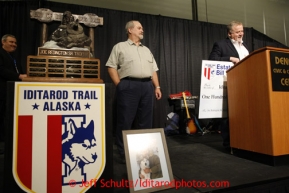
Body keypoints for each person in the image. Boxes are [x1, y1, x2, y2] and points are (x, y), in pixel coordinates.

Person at [105, 20, 162, 162]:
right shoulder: (120, 47)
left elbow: (153, 70)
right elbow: (111, 66)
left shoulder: (146, 50)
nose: (142, 30)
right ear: (130, 30)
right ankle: (124, 153)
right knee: (125, 120)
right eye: (139, 28)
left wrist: (157, 86)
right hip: (128, 86)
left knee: (145, 121)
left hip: (147, 87)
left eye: (142, 28)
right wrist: (120, 85)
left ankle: (144, 152)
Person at [208, 21, 250, 148]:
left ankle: (245, 139)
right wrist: (230, 58)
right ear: (230, 34)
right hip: (230, 84)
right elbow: (211, 60)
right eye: (238, 32)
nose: (241, 34)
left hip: (247, 83)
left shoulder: (245, 46)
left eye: (242, 31)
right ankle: (229, 143)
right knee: (229, 115)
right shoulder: (221, 45)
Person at [0, 34, 27, 153]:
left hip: (11, 92)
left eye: (15, 43)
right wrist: (18, 76)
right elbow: (1, 70)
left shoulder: (13, 57)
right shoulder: (1, 55)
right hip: (2, 91)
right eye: (11, 42)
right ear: (3, 42)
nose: (14, 45)